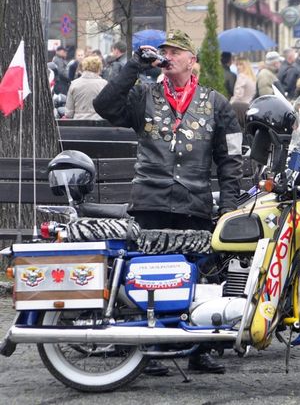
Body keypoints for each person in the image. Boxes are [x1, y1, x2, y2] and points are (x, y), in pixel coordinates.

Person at [93, 30, 243, 375]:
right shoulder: (144, 95)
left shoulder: (215, 103)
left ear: (192, 61)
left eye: (176, 51)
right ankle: (150, 348)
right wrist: (134, 66)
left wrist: (229, 209)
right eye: (165, 51)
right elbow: (104, 106)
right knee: (151, 278)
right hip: (151, 200)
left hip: (194, 203)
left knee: (200, 278)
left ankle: (200, 349)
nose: (169, 56)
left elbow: (230, 160)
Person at [65, 56, 107, 120]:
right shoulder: (104, 84)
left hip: (78, 122)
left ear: (84, 67)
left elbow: (69, 113)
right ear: (99, 68)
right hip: (99, 122)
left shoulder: (74, 84)